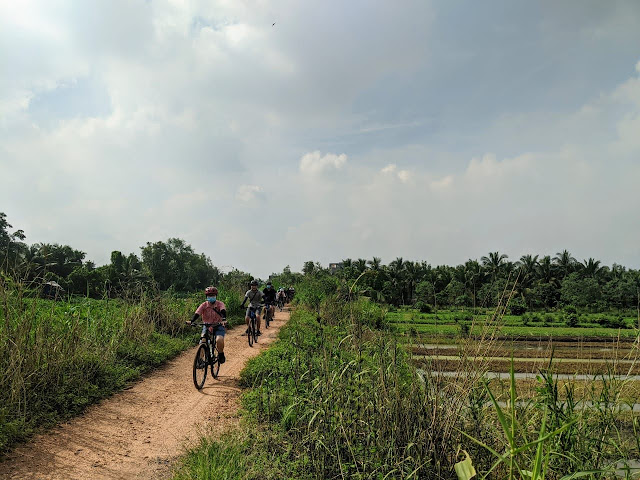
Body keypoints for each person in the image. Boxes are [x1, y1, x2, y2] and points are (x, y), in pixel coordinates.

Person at [190, 286, 227, 363]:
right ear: (206, 296)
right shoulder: (204, 305)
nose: (211, 297)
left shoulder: (220, 304)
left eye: (213, 296)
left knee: (219, 340)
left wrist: (223, 319)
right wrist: (191, 321)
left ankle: (221, 354)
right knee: (203, 340)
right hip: (207, 325)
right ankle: (199, 360)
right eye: (209, 296)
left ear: (216, 296)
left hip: (218, 325)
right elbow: (197, 313)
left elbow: (223, 311)